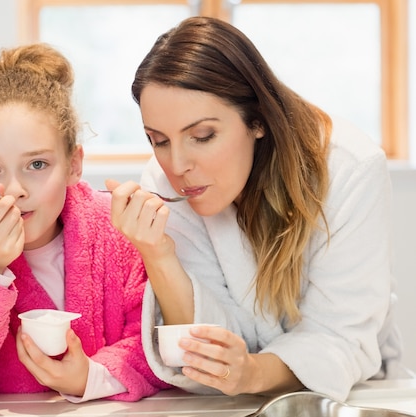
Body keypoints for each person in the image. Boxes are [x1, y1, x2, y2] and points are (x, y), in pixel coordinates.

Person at [107, 16, 413, 402]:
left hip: (353, 394)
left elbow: (340, 336)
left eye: (202, 136)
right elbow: (204, 345)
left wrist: (251, 372)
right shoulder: (165, 180)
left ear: (258, 120)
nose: (178, 164)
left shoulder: (350, 169)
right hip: (228, 401)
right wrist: (158, 255)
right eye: (158, 140)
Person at [0, 43, 166, 414]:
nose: (15, 189)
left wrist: (90, 376)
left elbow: (158, 346)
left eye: (36, 164)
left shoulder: (115, 233)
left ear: (73, 164)